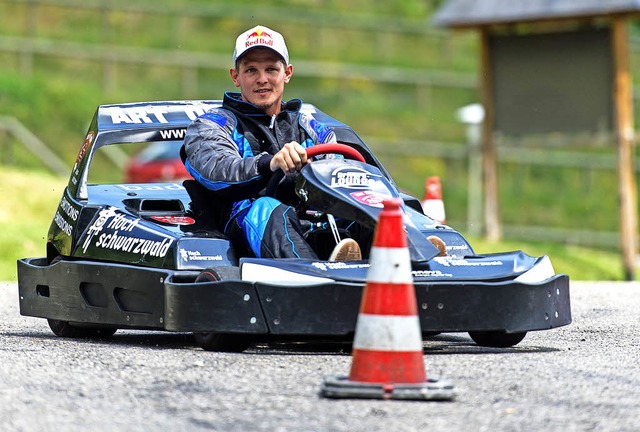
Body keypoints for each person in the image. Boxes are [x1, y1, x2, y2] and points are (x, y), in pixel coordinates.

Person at [182, 25, 361, 261]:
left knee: (364, 204)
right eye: (251, 71)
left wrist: (309, 173)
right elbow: (217, 169)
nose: (262, 79)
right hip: (243, 231)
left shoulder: (311, 127)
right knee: (267, 208)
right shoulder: (210, 125)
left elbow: (338, 175)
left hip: (310, 221)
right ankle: (315, 279)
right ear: (236, 77)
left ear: (287, 73)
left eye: (270, 69)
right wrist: (270, 164)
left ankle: (413, 261)